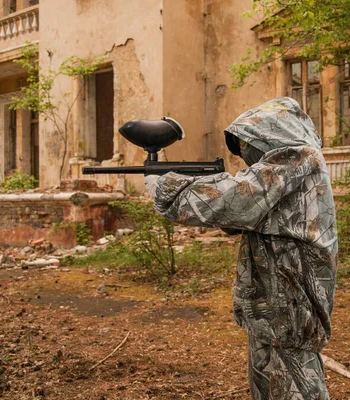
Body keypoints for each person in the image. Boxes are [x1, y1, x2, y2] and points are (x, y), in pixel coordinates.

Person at [145, 97, 338, 399]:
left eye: (250, 144)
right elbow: (244, 215)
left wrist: (165, 188)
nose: (248, 155)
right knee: (271, 387)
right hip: (273, 308)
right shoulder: (292, 165)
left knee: (295, 389)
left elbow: (237, 201)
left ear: (272, 134)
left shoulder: (296, 159)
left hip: (290, 307)